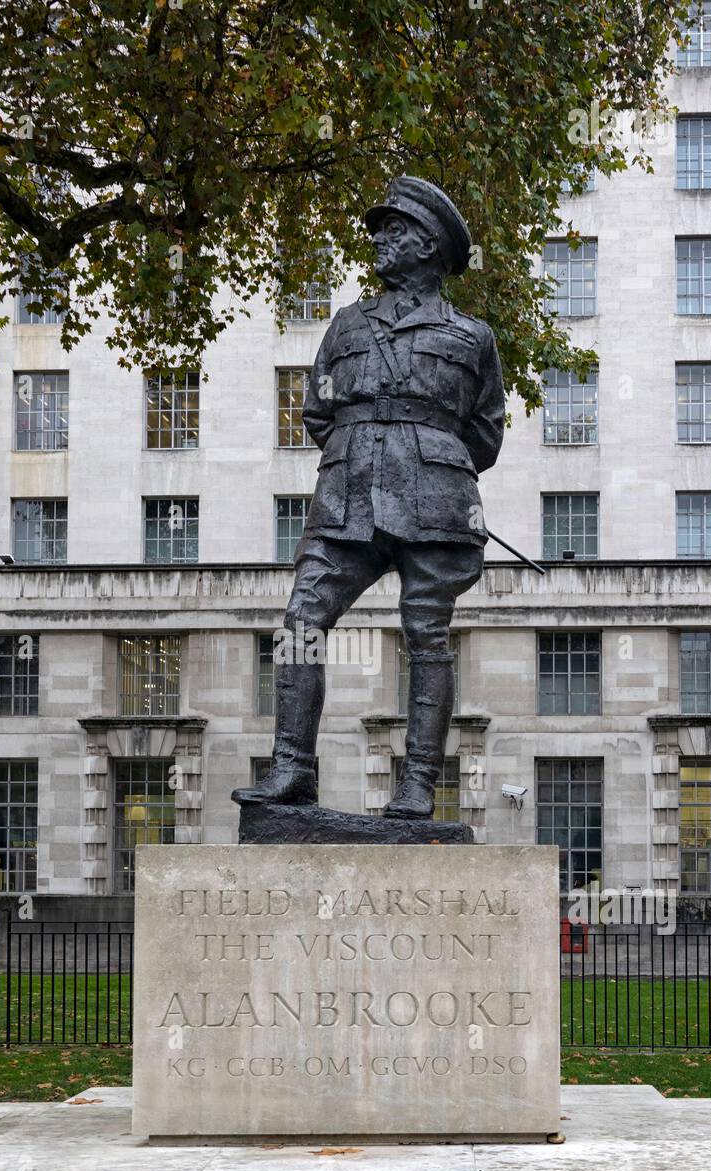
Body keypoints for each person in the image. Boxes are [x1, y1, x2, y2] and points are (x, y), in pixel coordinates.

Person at [234, 175, 505, 818]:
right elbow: (320, 412)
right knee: (301, 624)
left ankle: (416, 787)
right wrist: (372, 444)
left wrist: (423, 451)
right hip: (348, 494)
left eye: (395, 230)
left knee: (428, 637)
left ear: (429, 245)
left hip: (434, 500)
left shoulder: (473, 337)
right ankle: (293, 770)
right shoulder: (347, 324)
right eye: (379, 229)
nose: (379, 240)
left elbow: (486, 434)